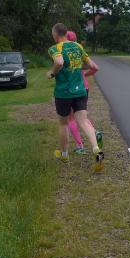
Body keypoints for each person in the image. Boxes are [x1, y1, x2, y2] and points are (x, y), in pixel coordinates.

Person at [46, 23, 103, 171]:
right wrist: (81, 70)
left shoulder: (55, 48)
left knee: (63, 123)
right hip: (80, 91)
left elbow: (59, 62)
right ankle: (97, 150)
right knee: (83, 121)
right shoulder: (78, 46)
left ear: (55, 34)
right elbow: (93, 66)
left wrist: (52, 73)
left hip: (63, 92)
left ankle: (64, 154)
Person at [65, 30, 101, 155]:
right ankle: (94, 132)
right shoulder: (80, 51)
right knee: (81, 115)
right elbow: (95, 68)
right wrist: (85, 75)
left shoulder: (63, 52)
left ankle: (80, 146)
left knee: (70, 118)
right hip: (84, 86)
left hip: (71, 88)